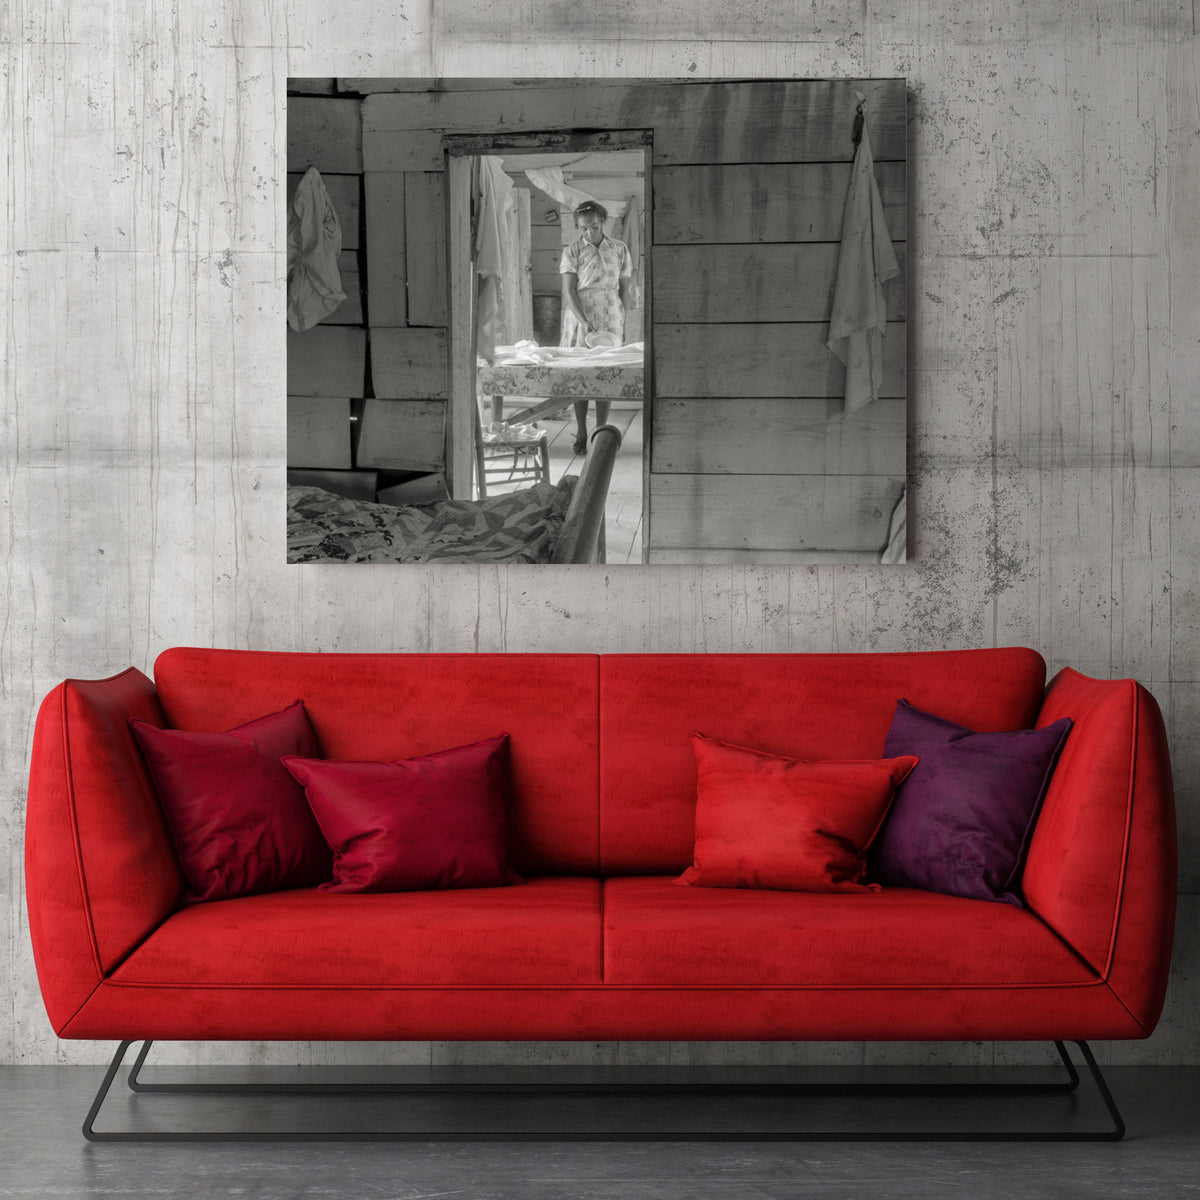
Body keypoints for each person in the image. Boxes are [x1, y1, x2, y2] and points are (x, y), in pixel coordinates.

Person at [559, 200, 632, 454]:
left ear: (602, 222)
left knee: (606, 373)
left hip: (611, 314)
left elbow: (624, 289)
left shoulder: (619, 249)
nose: (589, 232)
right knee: (580, 373)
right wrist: (584, 322)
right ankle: (581, 430)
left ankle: (600, 430)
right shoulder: (573, 251)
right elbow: (569, 290)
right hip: (581, 314)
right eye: (583, 228)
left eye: (594, 226)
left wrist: (622, 320)